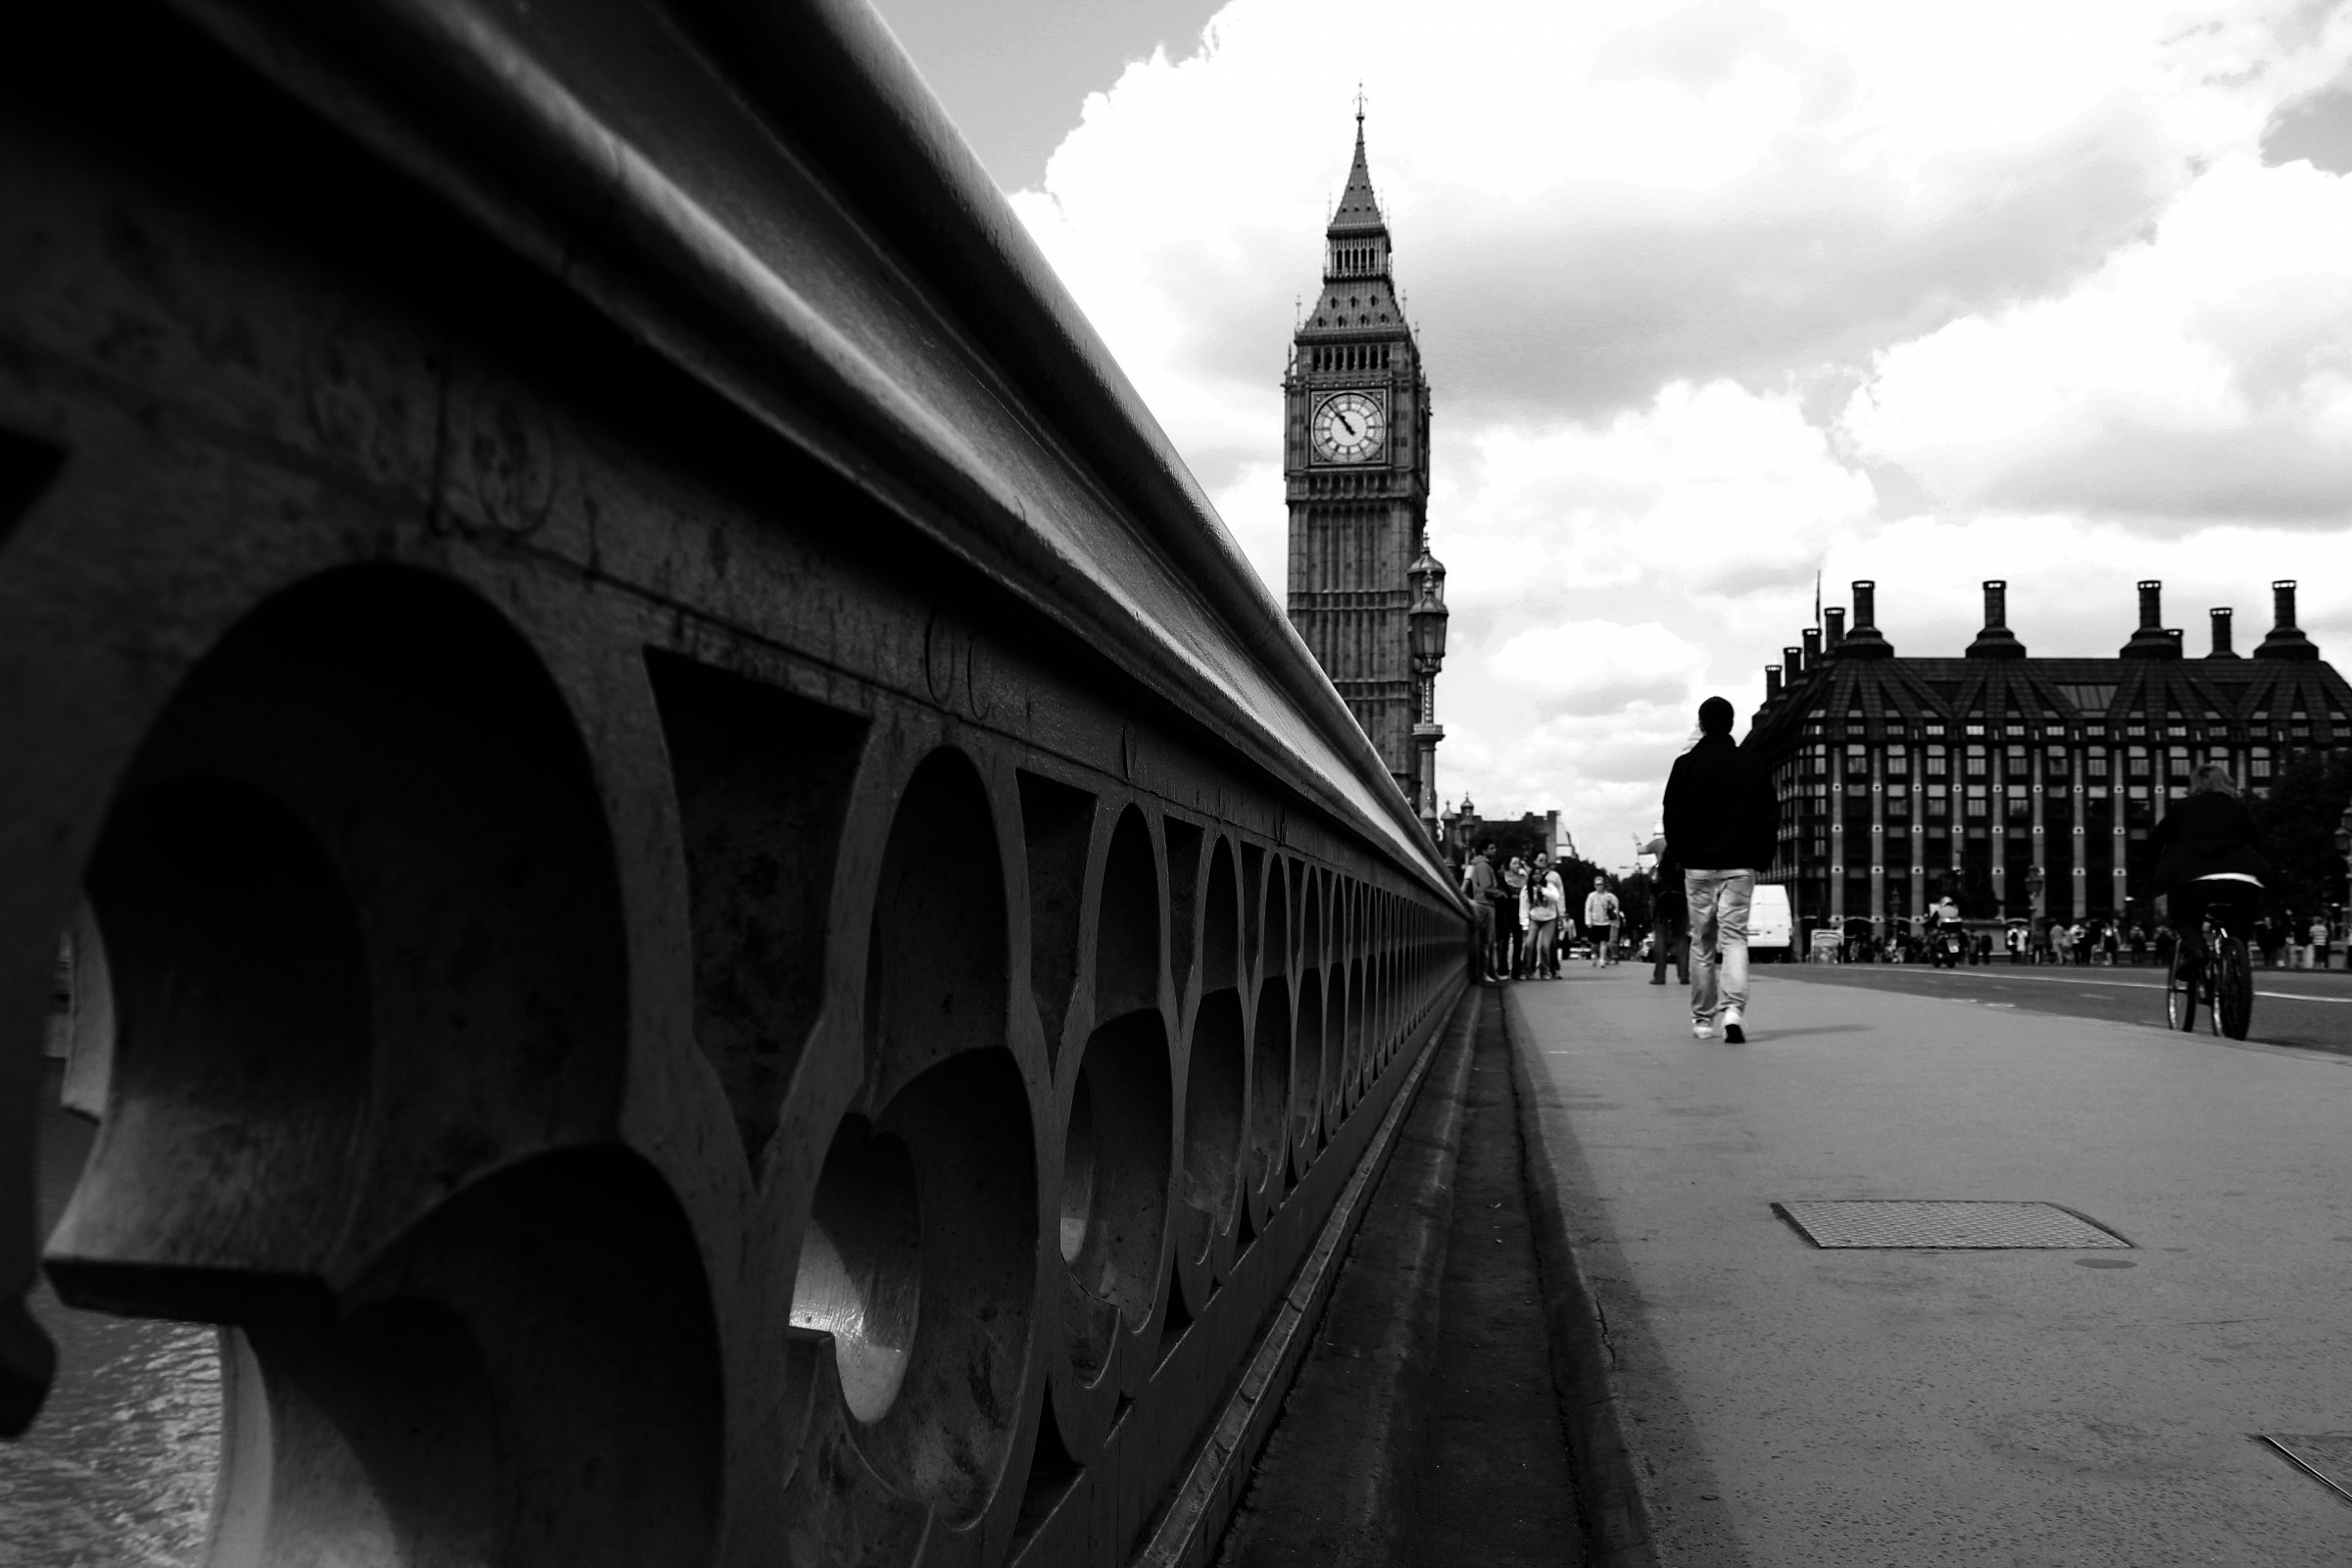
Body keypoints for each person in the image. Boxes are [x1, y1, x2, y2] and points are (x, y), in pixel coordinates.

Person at [1662, 695, 1777, 1042]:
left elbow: (1673, 817)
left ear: (1701, 724)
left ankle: (1702, 1020)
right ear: (1730, 724)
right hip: (1740, 864)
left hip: (1698, 867)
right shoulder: (1753, 765)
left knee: (1702, 942)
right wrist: (1760, 858)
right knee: (1735, 938)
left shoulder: (1685, 766)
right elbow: (1769, 818)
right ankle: (1733, 1011)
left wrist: (1683, 855)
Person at [2150, 762, 2274, 985]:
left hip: (2196, 879)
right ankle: (2236, 961)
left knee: (2182, 912)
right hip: (2242, 879)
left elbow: (2157, 841)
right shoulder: (2238, 809)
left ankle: (2196, 949)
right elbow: (2255, 845)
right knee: (2241, 924)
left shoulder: (2182, 808)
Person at [1641, 830, 1690, 987]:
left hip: (1662, 897)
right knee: (1681, 937)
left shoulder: (1658, 843)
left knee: (1660, 937)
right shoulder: (1686, 842)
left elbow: (1640, 851)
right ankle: (1683, 975)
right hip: (1680, 896)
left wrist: (1636, 841)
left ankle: (1660, 976)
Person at [1462, 840, 1499, 982]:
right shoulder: (1484, 866)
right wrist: (1501, 894)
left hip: (1478, 903)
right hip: (1485, 904)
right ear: (1484, 851)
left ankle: (1482, 972)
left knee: (1480, 940)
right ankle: (1483, 973)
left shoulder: (1474, 865)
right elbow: (1486, 888)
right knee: (1487, 941)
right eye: (1492, 847)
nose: (1495, 850)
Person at [1527, 854, 1561, 978]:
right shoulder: (1530, 875)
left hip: (1550, 913)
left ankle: (1551, 969)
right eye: (1540, 860)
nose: (1543, 862)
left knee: (1549, 944)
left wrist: (1561, 913)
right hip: (1535, 915)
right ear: (1535, 861)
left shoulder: (1554, 876)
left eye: (1546, 860)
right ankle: (1529, 970)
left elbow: (1559, 895)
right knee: (1530, 944)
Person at [1583, 876, 1621, 968]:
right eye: (1597, 884)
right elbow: (1587, 909)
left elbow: (1615, 908)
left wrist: (1613, 916)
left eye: (1601, 884)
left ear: (1604, 885)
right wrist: (1588, 921)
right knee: (1594, 943)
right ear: (1595, 886)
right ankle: (1594, 955)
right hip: (1595, 922)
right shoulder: (1591, 896)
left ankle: (1602, 959)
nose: (1599, 886)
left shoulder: (1609, 896)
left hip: (1605, 922)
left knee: (1604, 942)